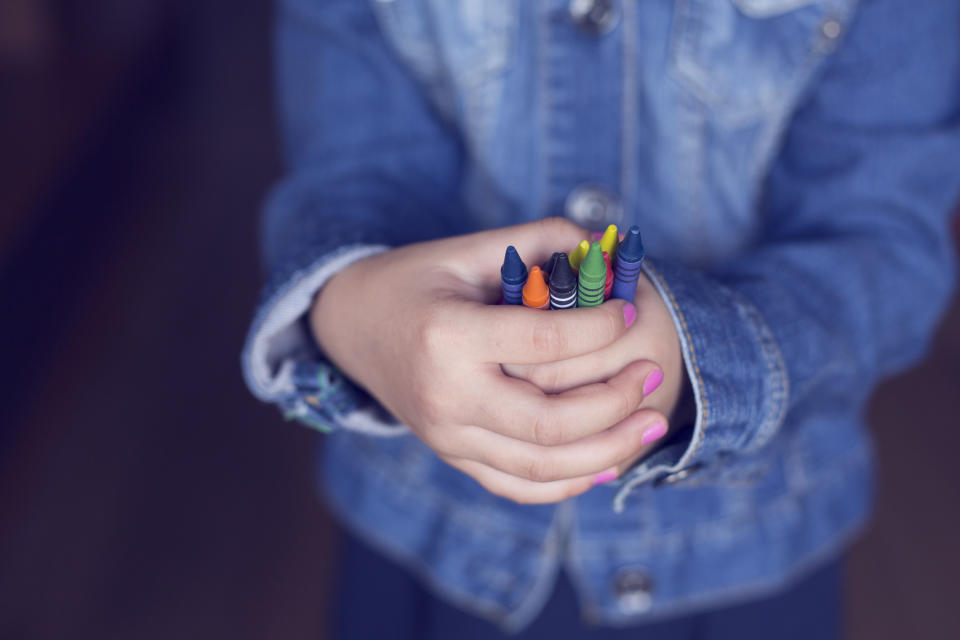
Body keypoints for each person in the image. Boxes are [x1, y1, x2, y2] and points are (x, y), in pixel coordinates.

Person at [241, 0, 960, 637]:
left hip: (748, 547)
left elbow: (884, 242)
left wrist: (705, 355)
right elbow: (351, 175)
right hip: (421, 535)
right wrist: (355, 313)